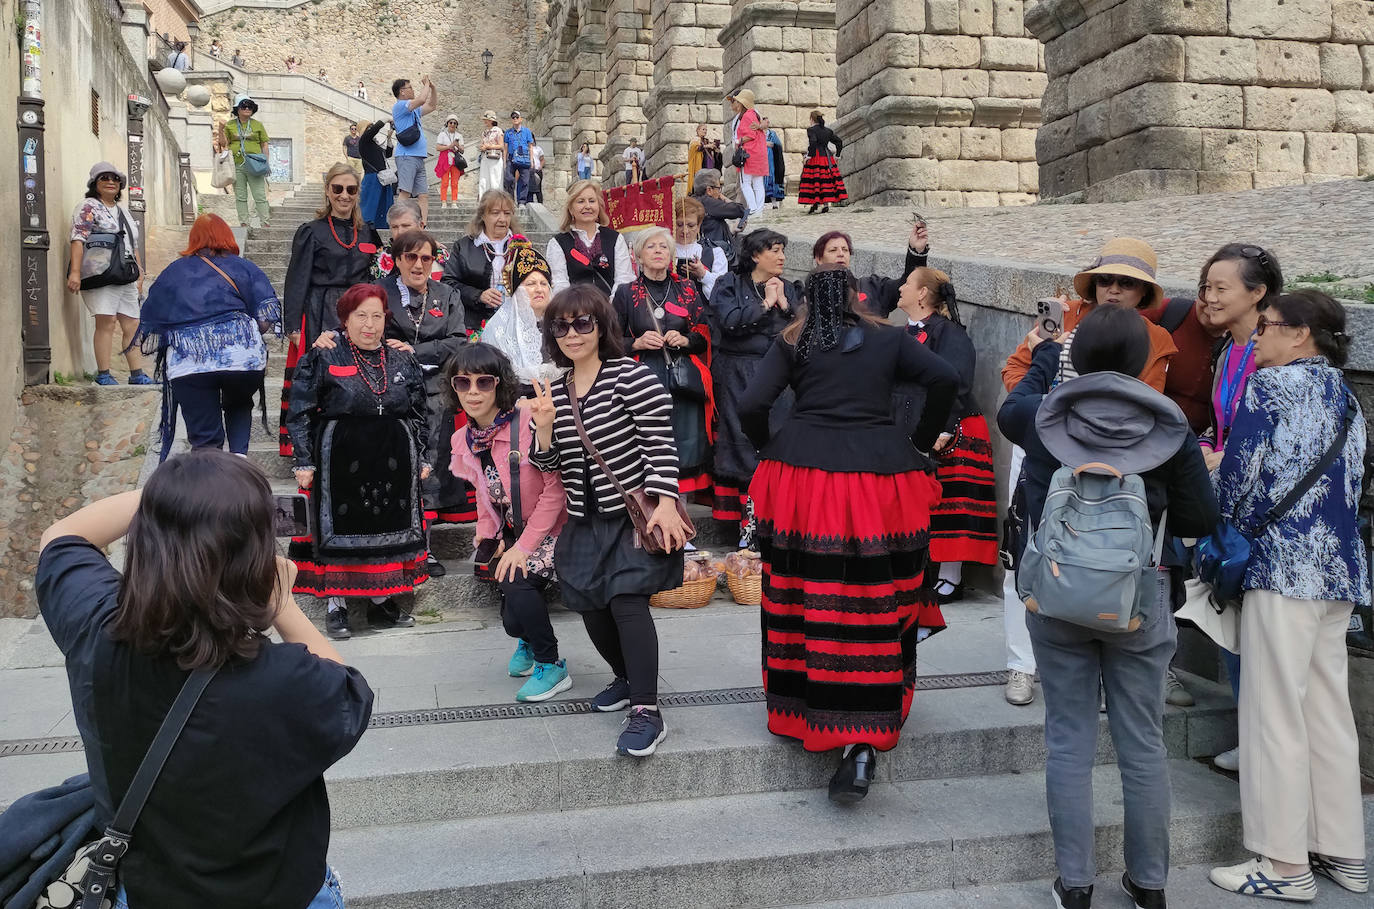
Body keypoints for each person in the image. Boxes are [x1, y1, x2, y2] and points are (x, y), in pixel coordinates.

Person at [35, 450, 372, 909]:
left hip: (152, 894)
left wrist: (174, 499)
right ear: (251, 555)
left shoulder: (98, 629)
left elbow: (62, 536)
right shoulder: (286, 678)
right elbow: (348, 690)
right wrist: (282, 606)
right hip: (280, 892)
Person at [997, 305, 1218, 909]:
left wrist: (1048, 353)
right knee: (1142, 743)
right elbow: (1200, 518)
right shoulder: (1167, 426)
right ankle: (1149, 884)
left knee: (1067, 739)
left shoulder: (1045, 417)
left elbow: (1010, 402)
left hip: (1058, 593)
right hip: (1139, 596)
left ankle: (1074, 885)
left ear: (1077, 354)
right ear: (1146, 358)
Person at [740, 266, 958, 802]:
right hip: (884, 475)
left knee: (801, 589)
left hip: (801, 478)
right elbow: (947, 379)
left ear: (806, 299)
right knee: (876, 590)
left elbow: (750, 406)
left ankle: (811, 710)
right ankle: (864, 738)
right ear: (858, 296)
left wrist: (772, 448)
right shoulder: (890, 338)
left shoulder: (794, 339)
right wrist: (922, 443)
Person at [1207, 291, 1369, 903]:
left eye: (1268, 328)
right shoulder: (1347, 398)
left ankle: (1282, 864)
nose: (1257, 339)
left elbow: (1240, 477)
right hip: (1338, 571)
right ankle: (1344, 852)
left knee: (1274, 716)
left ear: (1301, 334)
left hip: (1281, 568)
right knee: (1328, 712)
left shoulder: (1269, 389)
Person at [998, 237, 1178, 708]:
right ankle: (1022, 665)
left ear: (1143, 294)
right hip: (1044, 445)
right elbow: (1014, 370)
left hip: (1113, 462)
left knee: (1106, 558)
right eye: (1106, 280)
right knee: (1029, 551)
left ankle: (1103, 667)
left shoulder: (1154, 339)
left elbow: (1149, 397)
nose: (1114, 290)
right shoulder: (1062, 317)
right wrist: (1046, 410)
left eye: (1127, 283)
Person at [528, 285, 689, 757]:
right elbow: (550, 468)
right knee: (590, 606)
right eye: (561, 325)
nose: (572, 333)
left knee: (625, 602)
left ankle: (646, 710)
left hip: (631, 516)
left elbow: (661, 441)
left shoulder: (631, 378)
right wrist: (542, 432)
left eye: (583, 323)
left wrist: (663, 502)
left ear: (601, 327)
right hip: (583, 520)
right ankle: (626, 677)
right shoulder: (555, 389)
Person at [287, 283, 432, 639]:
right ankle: (336, 605)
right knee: (338, 530)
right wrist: (303, 461)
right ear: (345, 319)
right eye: (360, 316)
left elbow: (418, 411)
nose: (370, 324)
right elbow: (300, 411)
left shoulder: (401, 356)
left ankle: (381, 601)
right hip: (339, 460)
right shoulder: (324, 354)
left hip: (393, 459)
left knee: (387, 527)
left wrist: (423, 455)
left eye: (377, 316)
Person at [320, 229, 471, 561]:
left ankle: (423, 548)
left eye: (426, 258)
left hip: (435, 393)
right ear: (397, 259)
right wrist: (327, 338)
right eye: (410, 257)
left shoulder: (447, 295)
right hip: (387, 394)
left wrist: (415, 350)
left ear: (434, 261)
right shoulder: (380, 292)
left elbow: (458, 340)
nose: (418, 265)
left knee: (430, 467)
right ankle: (390, 539)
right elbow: (354, 323)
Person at [447, 343, 571, 702]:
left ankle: (552, 665)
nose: (473, 392)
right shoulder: (464, 439)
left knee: (516, 578)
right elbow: (485, 499)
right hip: (516, 530)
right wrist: (489, 537)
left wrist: (523, 546)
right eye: (462, 382)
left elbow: (555, 491)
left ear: (499, 385)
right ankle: (527, 641)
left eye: (484, 382)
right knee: (511, 616)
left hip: (559, 527)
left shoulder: (527, 423)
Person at [138, 213, 280, 458]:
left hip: (189, 363)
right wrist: (239, 333)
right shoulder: (245, 267)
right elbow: (266, 317)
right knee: (238, 405)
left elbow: (152, 320)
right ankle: (239, 461)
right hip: (242, 359)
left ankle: (209, 477)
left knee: (205, 438)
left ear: (194, 239)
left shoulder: (174, 272)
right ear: (227, 236)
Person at [896, 268, 997, 603]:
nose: (900, 287)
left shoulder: (950, 333)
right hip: (913, 423)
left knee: (950, 499)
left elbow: (956, 380)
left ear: (922, 293)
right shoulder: (902, 333)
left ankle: (950, 577)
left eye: (907, 284)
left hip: (951, 426)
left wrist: (944, 426)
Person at [278, 164, 383, 456]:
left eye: (351, 189)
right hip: (320, 310)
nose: (344, 195)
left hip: (359, 315)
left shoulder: (368, 233)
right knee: (322, 377)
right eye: (337, 188)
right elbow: (296, 279)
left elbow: (378, 275)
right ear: (327, 191)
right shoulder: (311, 232)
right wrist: (293, 327)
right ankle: (313, 445)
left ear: (358, 192)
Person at [707, 229, 801, 546]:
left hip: (779, 375)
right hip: (737, 373)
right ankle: (749, 526)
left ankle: (775, 520)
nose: (782, 256)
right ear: (756, 254)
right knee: (744, 442)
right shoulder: (729, 285)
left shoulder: (790, 288)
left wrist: (786, 305)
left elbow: (804, 327)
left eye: (782, 250)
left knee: (778, 445)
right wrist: (765, 305)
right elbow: (729, 321)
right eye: (774, 250)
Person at [612, 226, 715, 497]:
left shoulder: (687, 289)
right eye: (651, 246)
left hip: (681, 379)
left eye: (663, 247)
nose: (658, 251)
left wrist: (685, 340)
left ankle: (679, 518)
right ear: (639, 257)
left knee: (681, 442)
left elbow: (704, 333)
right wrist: (635, 343)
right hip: (642, 376)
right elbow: (609, 341)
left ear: (671, 254)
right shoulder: (625, 292)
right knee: (648, 439)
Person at [66, 162, 152, 387]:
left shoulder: (123, 211)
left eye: (115, 178)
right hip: (99, 274)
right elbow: (78, 239)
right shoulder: (88, 206)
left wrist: (140, 273)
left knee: (132, 323)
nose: (110, 182)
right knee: (107, 321)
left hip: (124, 274)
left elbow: (132, 244)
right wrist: (75, 272)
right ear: (95, 183)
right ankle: (104, 374)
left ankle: (137, 373)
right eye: (104, 178)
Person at [441, 188, 522, 332]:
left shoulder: (522, 247)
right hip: (473, 322)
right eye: (495, 213)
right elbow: (448, 283)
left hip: (514, 321)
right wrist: (478, 295)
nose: (502, 219)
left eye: (507, 213)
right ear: (483, 216)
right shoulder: (464, 246)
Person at [481, 240, 558, 388]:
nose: (539, 289)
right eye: (530, 284)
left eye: (544, 284)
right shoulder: (497, 328)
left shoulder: (561, 324)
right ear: (516, 292)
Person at [809, 224, 929, 317]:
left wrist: (916, 253)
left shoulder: (873, 287)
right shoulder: (807, 296)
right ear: (819, 259)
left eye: (845, 250)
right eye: (833, 250)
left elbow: (908, 285)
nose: (841, 254)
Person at [546, 179, 634, 298]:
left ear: (599, 206)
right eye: (580, 201)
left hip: (612, 310)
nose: (587, 206)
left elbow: (624, 280)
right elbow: (559, 284)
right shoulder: (558, 243)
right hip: (573, 311)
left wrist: (608, 308)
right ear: (571, 209)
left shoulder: (615, 239)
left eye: (592, 201)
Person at [390, 75, 437, 223]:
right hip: (406, 156)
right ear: (402, 92)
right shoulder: (400, 106)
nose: (412, 90)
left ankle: (422, 225)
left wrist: (433, 89)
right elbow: (422, 100)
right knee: (405, 192)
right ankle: (398, 224)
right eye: (409, 87)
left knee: (423, 195)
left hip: (418, 157)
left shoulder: (414, 110)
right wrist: (427, 85)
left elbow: (431, 106)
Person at [221, 94, 272, 228]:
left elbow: (264, 144)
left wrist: (266, 163)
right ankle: (244, 223)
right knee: (240, 195)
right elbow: (223, 143)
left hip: (255, 164)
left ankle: (265, 223)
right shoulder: (230, 125)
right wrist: (221, 129)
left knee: (259, 195)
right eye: (244, 106)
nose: (247, 108)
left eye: (250, 106)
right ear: (237, 109)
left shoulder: (257, 125)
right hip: (237, 164)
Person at [373, 198, 449, 282]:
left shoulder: (439, 253)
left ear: (421, 226)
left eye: (406, 226)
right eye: (395, 227)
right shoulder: (380, 256)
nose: (400, 232)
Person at [674, 196, 728, 299]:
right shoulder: (663, 251)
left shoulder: (715, 253)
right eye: (679, 224)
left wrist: (703, 275)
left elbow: (722, 295)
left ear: (699, 226)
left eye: (691, 225)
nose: (685, 231)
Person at [727, 88, 768, 216]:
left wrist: (738, 141)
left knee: (746, 183)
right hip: (759, 152)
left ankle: (754, 208)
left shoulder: (746, 116)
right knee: (757, 183)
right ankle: (759, 210)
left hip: (748, 153)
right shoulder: (754, 114)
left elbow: (750, 135)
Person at [798, 110, 847, 214]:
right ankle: (825, 205)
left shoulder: (811, 130)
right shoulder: (827, 131)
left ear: (812, 119)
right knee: (826, 179)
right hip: (826, 157)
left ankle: (814, 203)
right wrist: (837, 156)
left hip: (815, 157)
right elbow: (839, 142)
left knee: (814, 178)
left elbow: (813, 142)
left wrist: (809, 156)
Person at [691, 168, 747, 257]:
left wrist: (732, 230)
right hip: (714, 252)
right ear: (709, 190)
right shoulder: (707, 202)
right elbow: (739, 210)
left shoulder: (695, 200)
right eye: (718, 188)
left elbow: (711, 228)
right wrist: (723, 198)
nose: (719, 192)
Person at [357, 119, 396, 230]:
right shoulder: (363, 142)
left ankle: (383, 226)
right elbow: (372, 131)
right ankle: (365, 228)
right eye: (368, 127)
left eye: (371, 126)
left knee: (384, 204)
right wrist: (384, 120)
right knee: (369, 204)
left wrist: (389, 137)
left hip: (382, 177)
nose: (371, 128)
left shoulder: (373, 143)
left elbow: (387, 154)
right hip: (372, 178)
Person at [505, 110, 536, 204]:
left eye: (517, 117)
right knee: (509, 179)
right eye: (513, 117)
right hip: (511, 157)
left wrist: (531, 160)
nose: (515, 119)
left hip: (524, 157)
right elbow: (505, 147)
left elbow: (530, 146)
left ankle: (521, 201)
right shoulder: (508, 132)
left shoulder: (527, 131)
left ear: (521, 119)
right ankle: (510, 200)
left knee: (524, 180)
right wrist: (504, 160)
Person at [436, 116, 465, 209]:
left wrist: (457, 146)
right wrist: (449, 146)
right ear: (447, 123)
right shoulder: (442, 134)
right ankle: (443, 201)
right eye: (450, 122)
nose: (452, 124)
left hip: (455, 160)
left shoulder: (459, 135)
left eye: (454, 123)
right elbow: (438, 148)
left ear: (457, 125)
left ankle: (454, 202)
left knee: (454, 182)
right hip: (445, 159)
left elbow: (462, 150)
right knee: (444, 182)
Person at [477, 110, 506, 198]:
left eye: (487, 119)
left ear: (491, 120)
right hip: (485, 158)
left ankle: (496, 200)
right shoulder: (484, 132)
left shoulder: (498, 131)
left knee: (495, 180)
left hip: (495, 158)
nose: (485, 121)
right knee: (484, 179)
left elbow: (501, 146)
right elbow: (482, 144)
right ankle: (484, 200)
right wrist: (482, 147)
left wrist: (489, 146)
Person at [762, 117, 785, 208]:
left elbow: (778, 144)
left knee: (772, 179)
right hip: (760, 160)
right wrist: (764, 143)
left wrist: (774, 145)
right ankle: (760, 203)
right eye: (766, 122)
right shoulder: (757, 133)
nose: (767, 124)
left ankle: (774, 202)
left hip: (771, 160)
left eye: (768, 122)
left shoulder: (772, 134)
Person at [686, 125, 708, 193]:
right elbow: (696, 148)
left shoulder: (705, 141)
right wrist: (706, 146)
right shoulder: (695, 139)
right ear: (698, 130)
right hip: (696, 165)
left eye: (706, 130)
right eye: (703, 129)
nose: (705, 131)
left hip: (704, 163)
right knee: (696, 180)